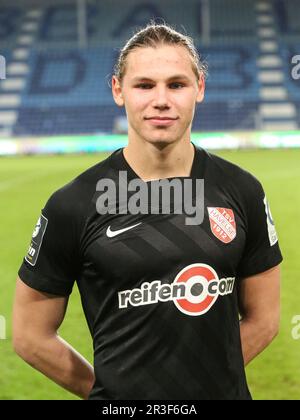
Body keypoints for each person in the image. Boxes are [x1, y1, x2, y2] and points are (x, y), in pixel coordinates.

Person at [13, 23, 282, 400]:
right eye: (144, 85)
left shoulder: (243, 190)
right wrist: (119, 395)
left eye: (176, 84)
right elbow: (29, 335)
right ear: (118, 91)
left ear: (199, 89)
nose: (161, 100)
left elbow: (265, 318)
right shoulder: (72, 204)